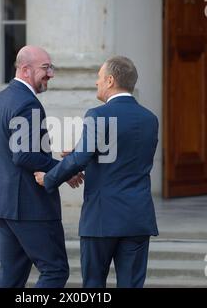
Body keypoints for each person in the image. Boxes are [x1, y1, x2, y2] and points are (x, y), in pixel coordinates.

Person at [34, 56, 159, 288]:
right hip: (137, 217)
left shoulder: (98, 115)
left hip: (102, 218)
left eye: (99, 78)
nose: (96, 83)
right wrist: (85, 150)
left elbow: (82, 158)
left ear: (110, 80)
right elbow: (126, 155)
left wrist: (49, 178)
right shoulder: (150, 119)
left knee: (93, 286)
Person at [0, 46, 83, 288]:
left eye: (51, 67)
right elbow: (24, 156)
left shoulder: (2, 98)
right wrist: (64, 169)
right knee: (55, 271)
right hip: (30, 208)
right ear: (25, 70)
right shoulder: (28, 105)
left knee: (11, 279)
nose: (51, 74)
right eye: (45, 68)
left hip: (3, 205)